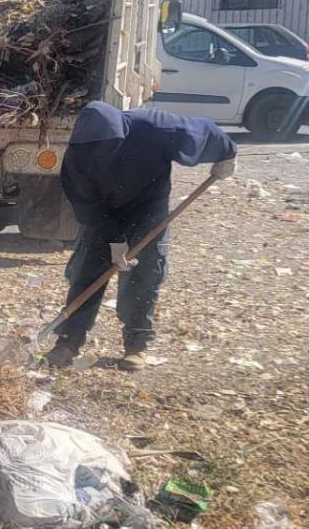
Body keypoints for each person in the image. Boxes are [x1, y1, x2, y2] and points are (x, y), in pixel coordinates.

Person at [46, 102, 236, 371]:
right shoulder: (78, 156)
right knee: (86, 272)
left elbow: (203, 132)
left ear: (120, 133)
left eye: (107, 147)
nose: (101, 154)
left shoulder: (155, 127)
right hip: (103, 213)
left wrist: (227, 152)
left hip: (148, 206)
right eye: (95, 150)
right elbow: (86, 206)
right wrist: (114, 241)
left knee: (144, 273)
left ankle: (136, 345)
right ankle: (67, 343)